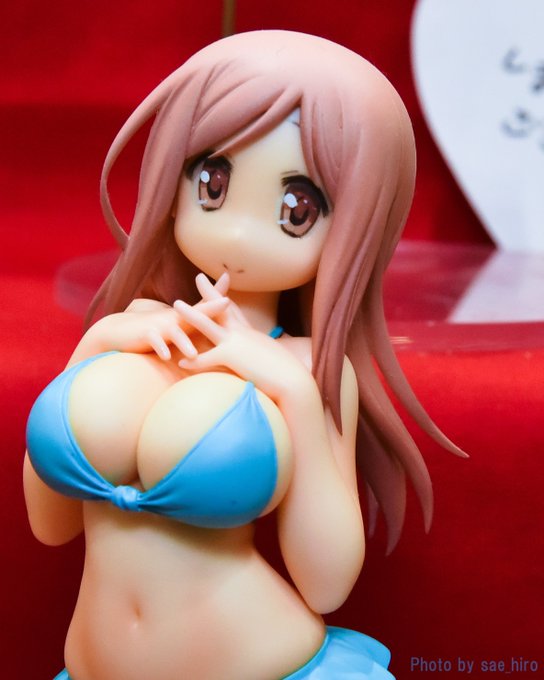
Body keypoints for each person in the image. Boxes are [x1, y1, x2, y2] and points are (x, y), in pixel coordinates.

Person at [24, 30, 462, 680]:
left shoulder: (307, 369)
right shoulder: (132, 329)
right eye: (212, 181)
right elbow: (50, 524)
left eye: (296, 208)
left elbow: (326, 585)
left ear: (356, 225)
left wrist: (294, 394)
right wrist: (95, 344)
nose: (236, 231)